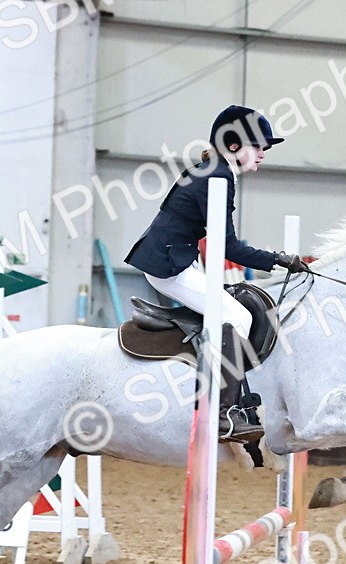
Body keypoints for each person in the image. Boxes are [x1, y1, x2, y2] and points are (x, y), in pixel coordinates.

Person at [126, 105, 306, 441]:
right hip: (169, 266)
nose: (264, 153)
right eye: (259, 146)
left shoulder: (216, 169)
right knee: (236, 316)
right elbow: (229, 247)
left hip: (176, 258)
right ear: (235, 146)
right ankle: (222, 415)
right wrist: (279, 259)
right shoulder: (218, 175)